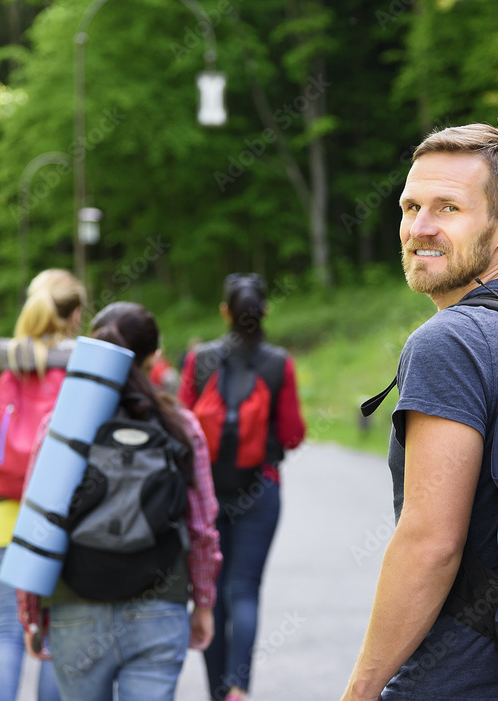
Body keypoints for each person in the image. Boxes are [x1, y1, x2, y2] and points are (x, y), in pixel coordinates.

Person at [341, 124, 498, 701]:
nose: (419, 228)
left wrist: (361, 690)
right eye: (411, 207)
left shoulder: (448, 343)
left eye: (448, 208)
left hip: (460, 677)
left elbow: (431, 544)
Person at [37, 301, 223, 701]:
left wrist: (30, 609)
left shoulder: (61, 424)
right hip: (159, 604)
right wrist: (204, 603)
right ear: (154, 357)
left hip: (75, 606)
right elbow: (201, 528)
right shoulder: (181, 425)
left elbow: (38, 519)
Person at [178, 273, 306, 701]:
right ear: (264, 311)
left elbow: (181, 425)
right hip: (260, 489)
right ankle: (238, 688)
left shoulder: (199, 359)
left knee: (211, 594)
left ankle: (217, 693)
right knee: (245, 589)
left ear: (225, 312)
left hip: (206, 494)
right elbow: (292, 434)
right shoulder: (278, 363)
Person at [0, 268, 85, 701]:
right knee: (54, 633)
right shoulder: (84, 369)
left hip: (5, 514)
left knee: (7, 630)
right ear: (75, 315)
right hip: (62, 519)